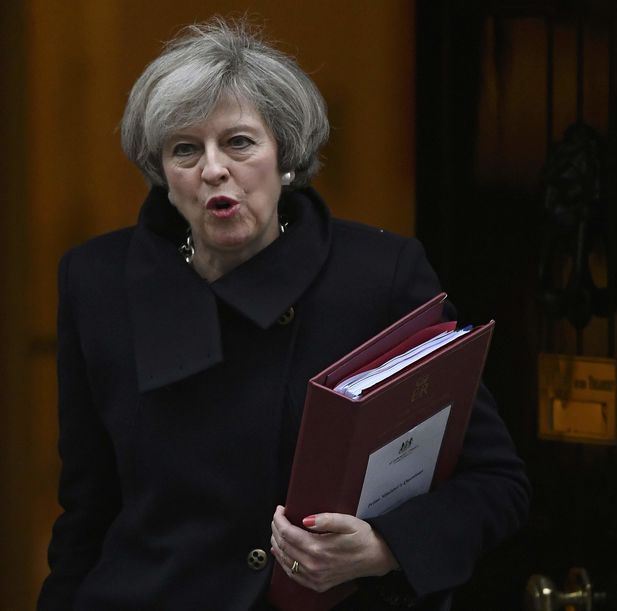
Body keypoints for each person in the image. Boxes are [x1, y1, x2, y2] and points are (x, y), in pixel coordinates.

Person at [37, 17, 530, 611]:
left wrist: (383, 547)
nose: (213, 169)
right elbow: (87, 512)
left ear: (287, 155)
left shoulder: (379, 276)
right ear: (161, 175)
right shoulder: (97, 281)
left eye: (239, 142)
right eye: (184, 149)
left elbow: (496, 483)